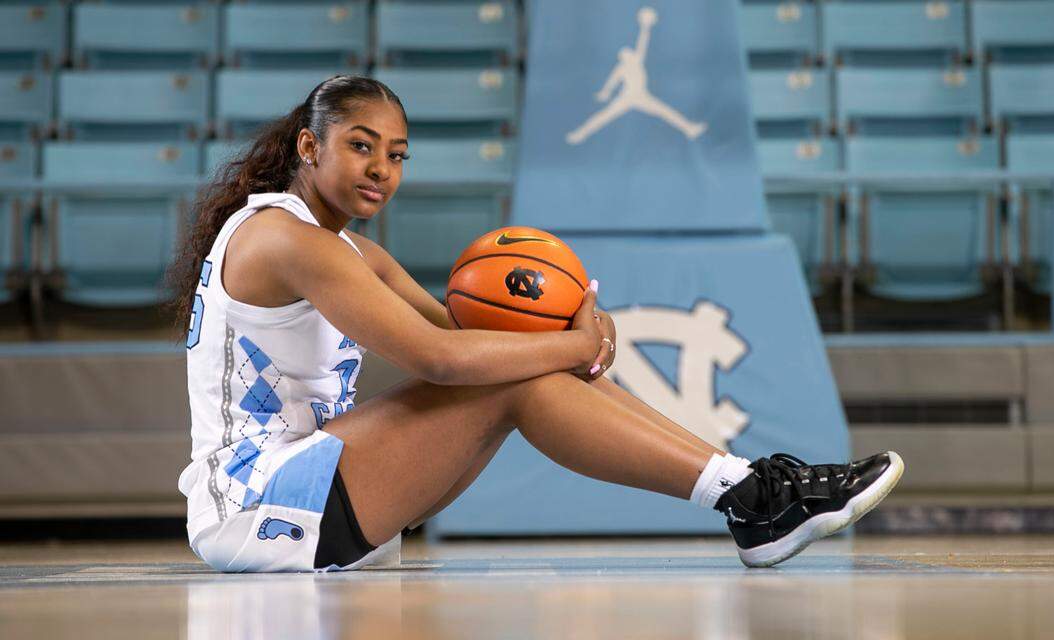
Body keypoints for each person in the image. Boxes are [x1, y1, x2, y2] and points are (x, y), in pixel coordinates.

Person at [167, 75, 904, 573]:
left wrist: (572, 330)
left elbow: (470, 343)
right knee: (514, 382)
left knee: (526, 365)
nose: (381, 169)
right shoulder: (283, 238)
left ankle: (752, 487)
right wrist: (576, 342)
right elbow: (442, 362)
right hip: (258, 502)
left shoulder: (348, 249)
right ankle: (751, 500)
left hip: (313, 493)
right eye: (361, 145)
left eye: (396, 155)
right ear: (309, 146)